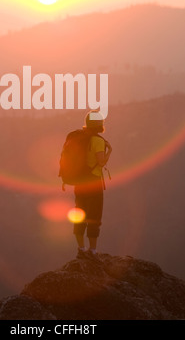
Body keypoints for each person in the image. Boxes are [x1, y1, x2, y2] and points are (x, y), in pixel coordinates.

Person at [73, 110, 112, 259]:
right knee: (94, 216)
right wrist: (110, 150)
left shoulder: (80, 138)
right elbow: (101, 162)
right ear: (100, 124)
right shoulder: (98, 141)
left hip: (79, 183)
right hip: (94, 183)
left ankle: (81, 248)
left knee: (80, 214)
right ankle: (93, 251)